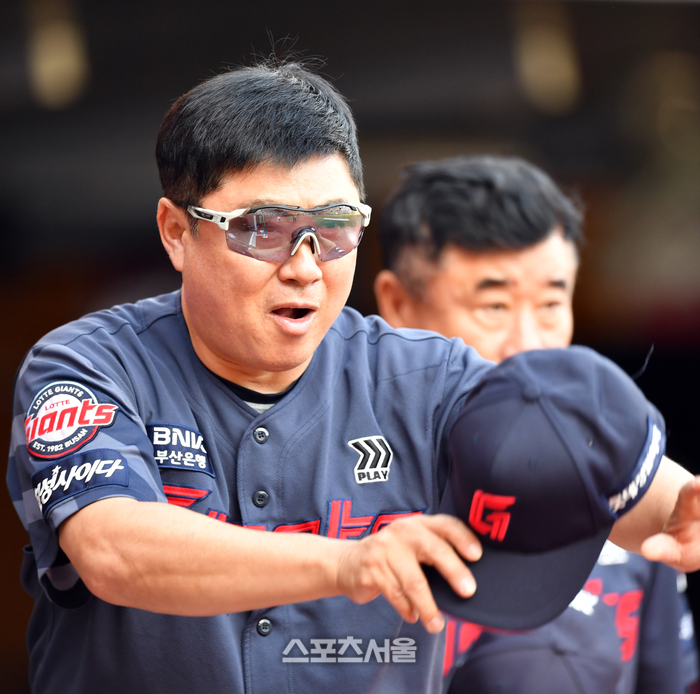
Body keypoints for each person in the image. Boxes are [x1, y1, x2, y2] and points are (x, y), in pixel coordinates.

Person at [7, 60, 700, 694]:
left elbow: (575, 456)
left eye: (335, 228)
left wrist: (677, 504)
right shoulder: (90, 366)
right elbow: (113, 549)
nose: (305, 266)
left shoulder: (425, 376)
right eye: (262, 228)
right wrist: (347, 563)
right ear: (176, 231)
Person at [374, 154, 699, 693]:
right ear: (398, 304)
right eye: (494, 307)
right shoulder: (340, 489)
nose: (528, 345)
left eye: (551, 304)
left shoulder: (617, 477)